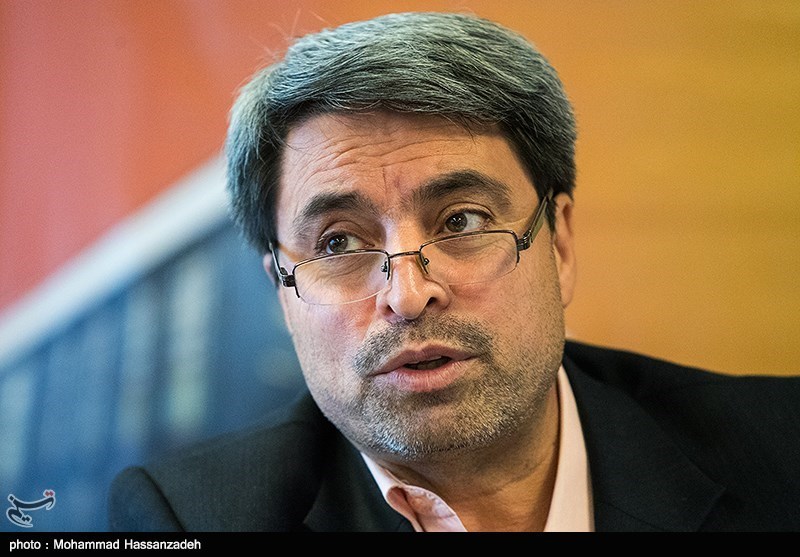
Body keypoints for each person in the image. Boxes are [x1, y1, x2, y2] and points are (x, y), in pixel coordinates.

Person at [108, 12, 800, 532]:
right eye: (339, 241)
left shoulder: (781, 447)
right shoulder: (193, 518)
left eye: (462, 221)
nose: (408, 296)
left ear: (557, 244)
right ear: (283, 293)